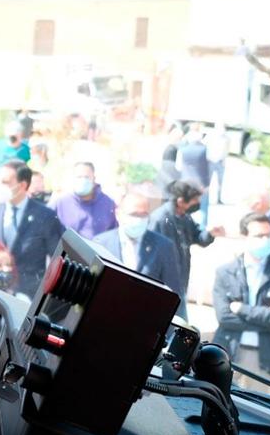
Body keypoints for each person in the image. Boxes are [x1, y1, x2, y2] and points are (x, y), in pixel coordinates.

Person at [211, 213, 270, 387]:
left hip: (267, 357)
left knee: (257, 409)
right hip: (230, 352)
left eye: (269, 235)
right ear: (245, 237)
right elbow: (224, 317)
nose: (265, 240)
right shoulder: (225, 272)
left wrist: (242, 309)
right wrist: (267, 318)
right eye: (259, 236)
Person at [0, 160, 64, 297]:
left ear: (22, 185)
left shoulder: (45, 216)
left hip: (28, 296)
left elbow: (59, 258)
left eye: (5, 182)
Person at [149, 180, 225, 314]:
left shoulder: (185, 217)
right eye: (195, 200)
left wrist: (210, 233)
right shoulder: (160, 219)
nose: (197, 203)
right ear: (180, 201)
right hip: (163, 286)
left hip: (179, 283)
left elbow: (198, 237)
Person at [92, 190, 181, 297]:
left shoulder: (163, 246)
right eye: (134, 214)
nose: (138, 220)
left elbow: (173, 292)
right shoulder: (100, 243)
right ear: (118, 214)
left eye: (143, 215)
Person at [49, 161, 117, 240]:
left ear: (94, 178)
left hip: (99, 250)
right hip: (69, 251)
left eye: (86, 177)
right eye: (79, 177)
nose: (83, 180)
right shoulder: (60, 203)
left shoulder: (107, 203)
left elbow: (113, 232)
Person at [177, 124, 212, 226]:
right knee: (203, 209)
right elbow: (210, 165)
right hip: (202, 184)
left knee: (185, 207)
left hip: (186, 183)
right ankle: (202, 229)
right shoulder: (205, 149)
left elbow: (178, 167)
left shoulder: (182, 149)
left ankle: (185, 226)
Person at [205, 122, 229, 204]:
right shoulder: (210, 137)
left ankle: (218, 198)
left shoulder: (226, 138)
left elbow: (226, 151)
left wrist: (224, 161)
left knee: (220, 182)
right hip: (211, 161)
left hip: (220, 162)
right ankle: (206, 198)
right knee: (208, 181)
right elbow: (206, 148)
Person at [158, 124, 183, 200]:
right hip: (168, 182)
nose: (181, 140)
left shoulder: (171, 148)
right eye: (180, 138)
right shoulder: (171, 149)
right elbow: (169, 168)